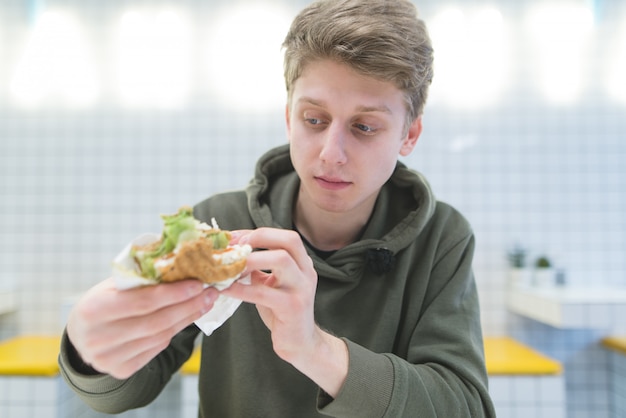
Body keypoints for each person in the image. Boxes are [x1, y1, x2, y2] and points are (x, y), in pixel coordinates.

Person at [59, 0, 495, 416]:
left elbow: (465, 407)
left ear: (409, 135)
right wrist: (90, 350)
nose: (331, 153)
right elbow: (124, 391)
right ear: (289, 117)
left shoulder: (441, 237)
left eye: (364, 127)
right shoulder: (222, 223)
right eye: (314, 120)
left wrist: (314, 350)